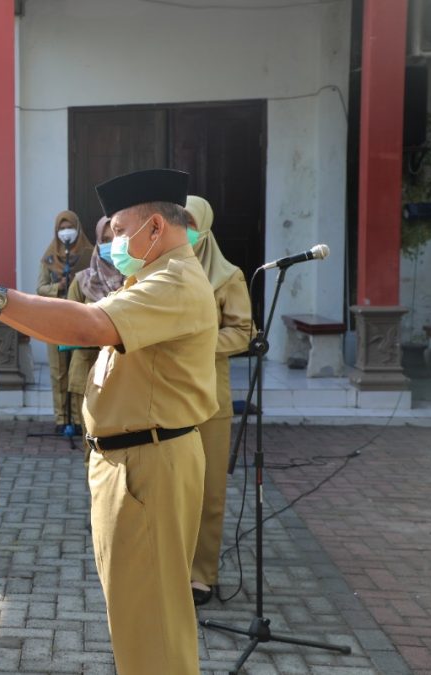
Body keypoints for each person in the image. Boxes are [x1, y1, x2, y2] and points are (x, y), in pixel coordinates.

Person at [0, 168, 218, 675]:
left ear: (154, 228)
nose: (109, 241)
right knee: (135, 612)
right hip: (131, 461)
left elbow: (90, 326)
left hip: (149, 463)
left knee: (152, 618)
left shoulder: (174, 279)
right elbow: (75, 325)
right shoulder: (150, 276)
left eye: (115, 230)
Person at [183, 195, 253, 606]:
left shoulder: (228, 276)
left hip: (209, 396)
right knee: (171, 488)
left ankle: (201, 574)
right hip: (166, 393)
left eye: (191, 222)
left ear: (205, 226)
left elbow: (243, 332)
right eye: (180, 221)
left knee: (208, 490)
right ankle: (170, 566)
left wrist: (196, 340)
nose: (186, 229)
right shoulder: (160, 272)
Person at [36, 210, 93, 435]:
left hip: (81, 319)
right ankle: (61, 419)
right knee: (58, 370)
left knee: (78, 369)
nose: (65, 232)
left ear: (78, 229)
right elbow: (39, 288)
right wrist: (57, 287)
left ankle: (79, 419)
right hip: (55, 320)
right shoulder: (49, 258)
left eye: (69, 227)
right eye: (61, 228)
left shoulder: (90, 254)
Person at [65, 217, 124, 422]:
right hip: (87, 368)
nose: (111, 244)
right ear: (98, 242)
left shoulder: (139, 279)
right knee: (90, 445)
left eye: (117, 238)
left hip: (125, 375)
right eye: (106, 239)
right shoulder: (82, 281)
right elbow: (67, 325)